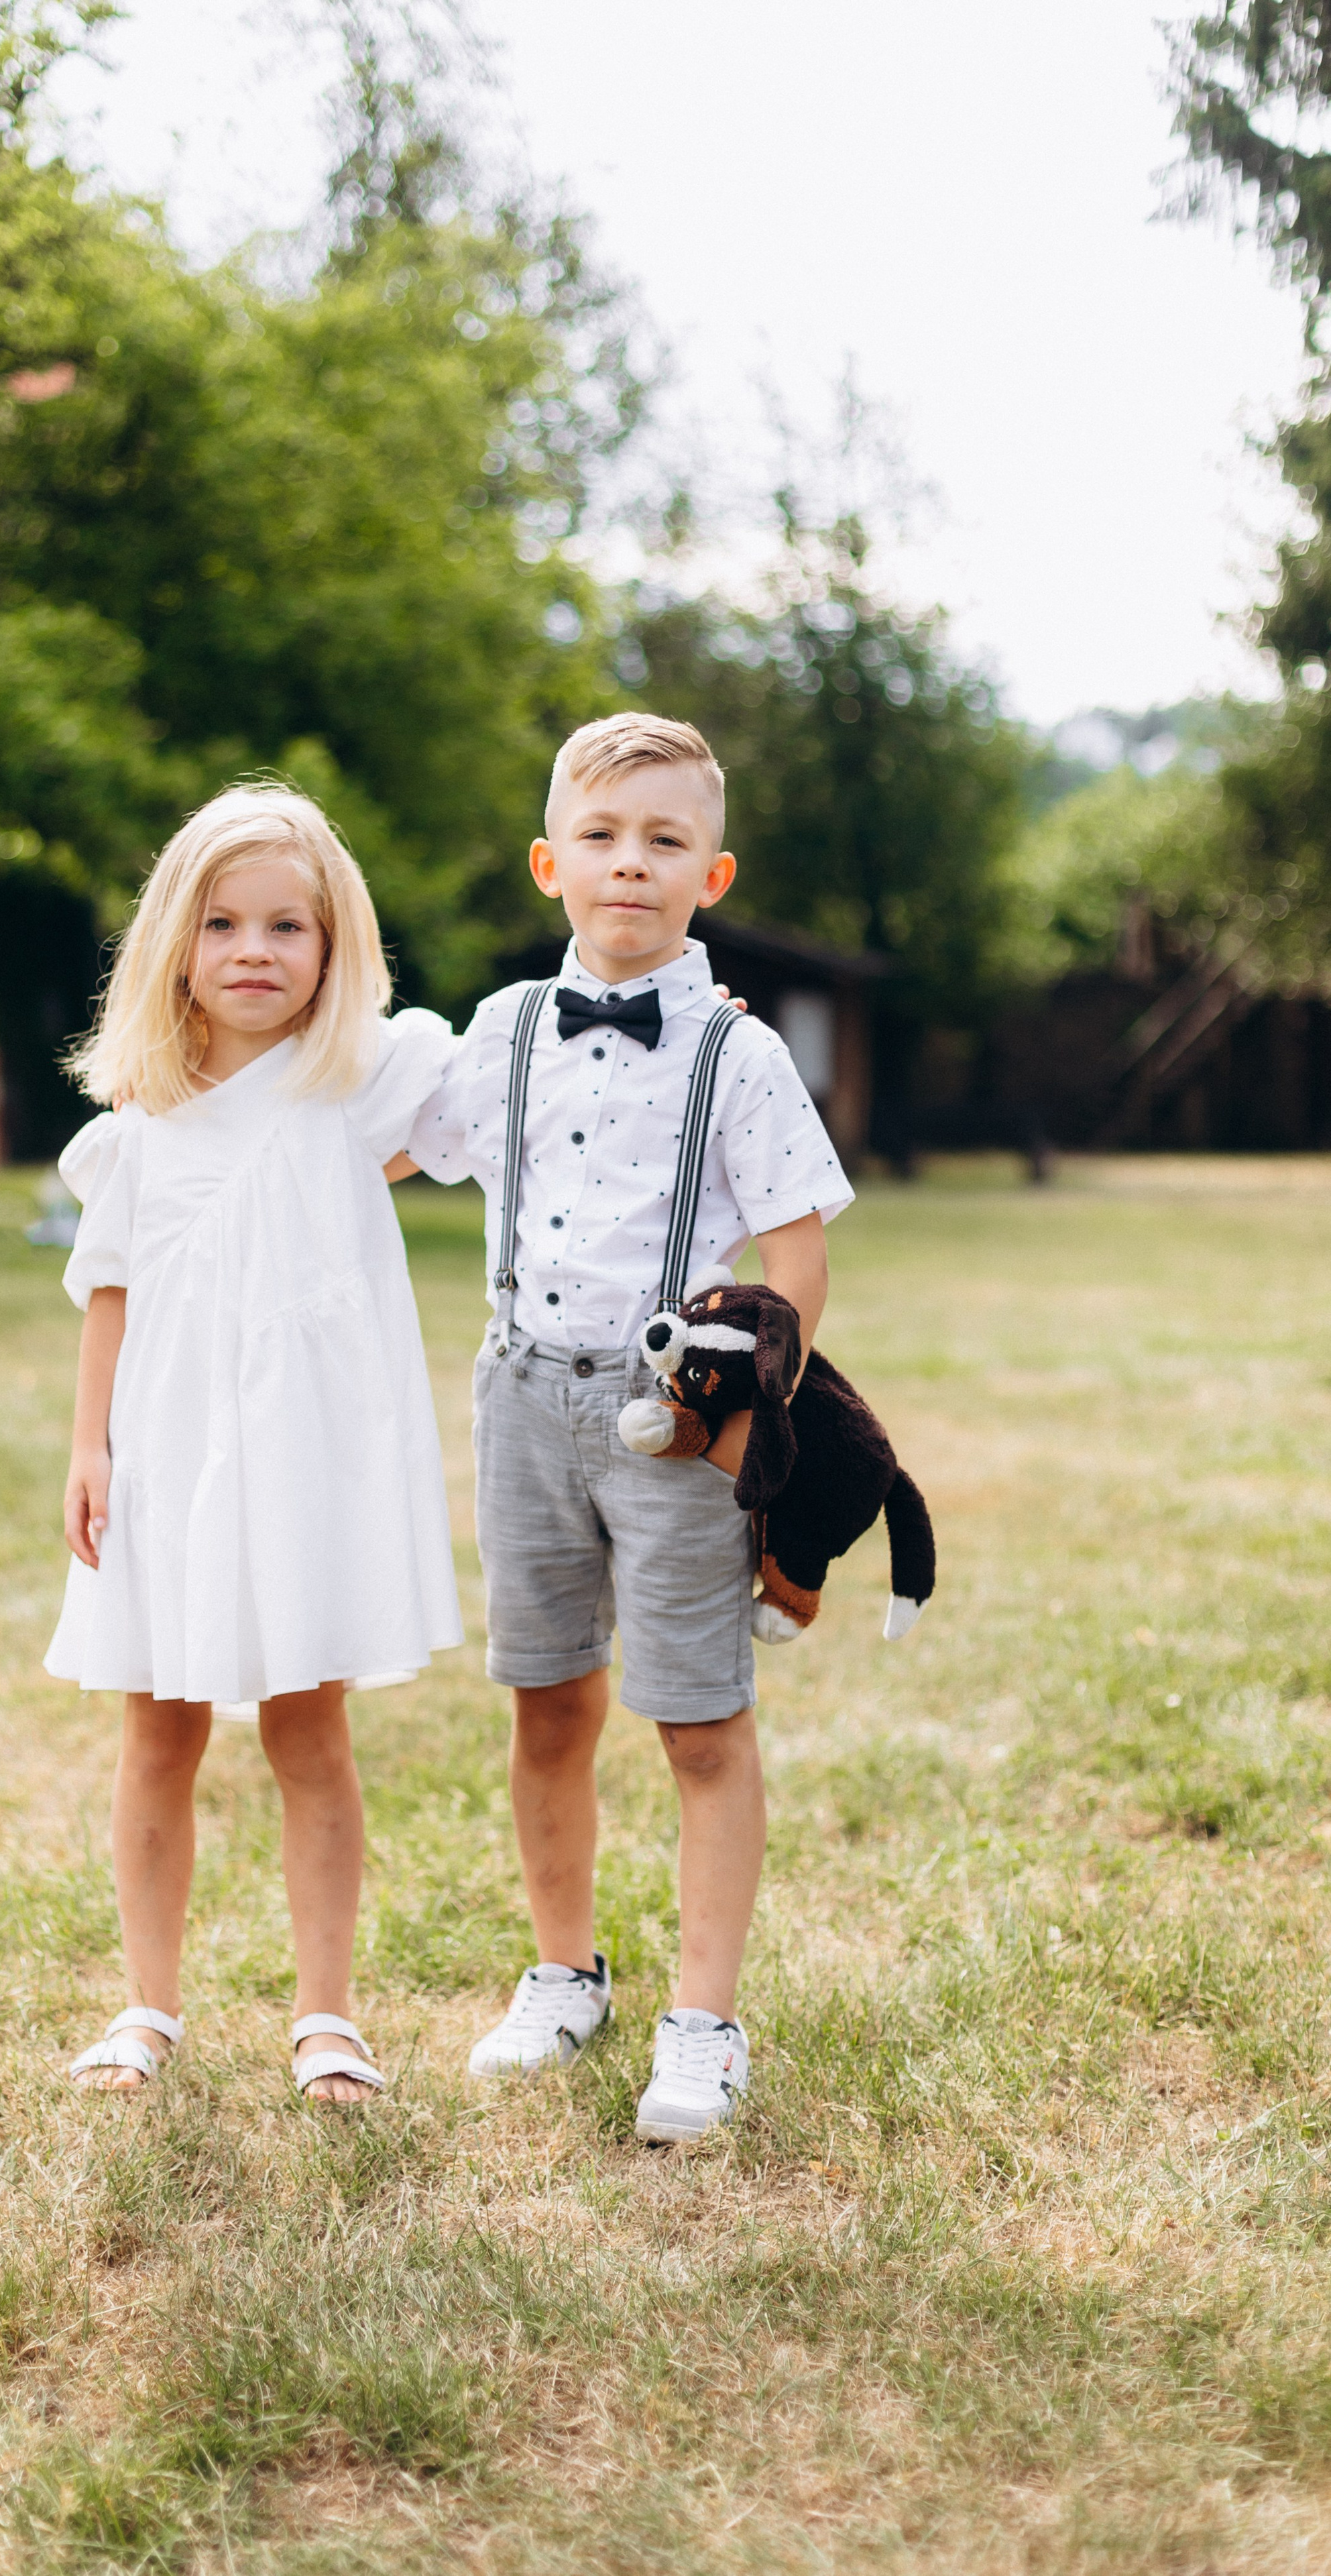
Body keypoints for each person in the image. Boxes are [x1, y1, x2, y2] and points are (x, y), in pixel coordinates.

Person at [400, 714, 852, 2143]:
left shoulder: (739, 1053)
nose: (629, 865)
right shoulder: (499, 1033)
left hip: (674, 1421)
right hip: (521, 1394)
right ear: (550, 863)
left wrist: (754, 1427)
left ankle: (703, 2024)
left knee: (698, 1716)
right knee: (546, 1697)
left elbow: (794, 1256)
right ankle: (561, 1971)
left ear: (709, 875)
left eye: (663, 841)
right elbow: (396, 1145)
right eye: (600, 837)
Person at [45, 785, 461, 2103]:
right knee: (155, 1733)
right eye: (222, 922)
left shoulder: (357, 1089)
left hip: (305, 1460)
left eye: (289, 924)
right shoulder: (137, 1127)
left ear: (334, 947)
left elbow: (520, 1074)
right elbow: (109, 1294)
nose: (254, 950)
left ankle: (325, 2015)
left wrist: (693, 1041)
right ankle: (147, 2003)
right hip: (165, 1455)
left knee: (308, 1732)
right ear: (174, 940)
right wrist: (90, 1448)